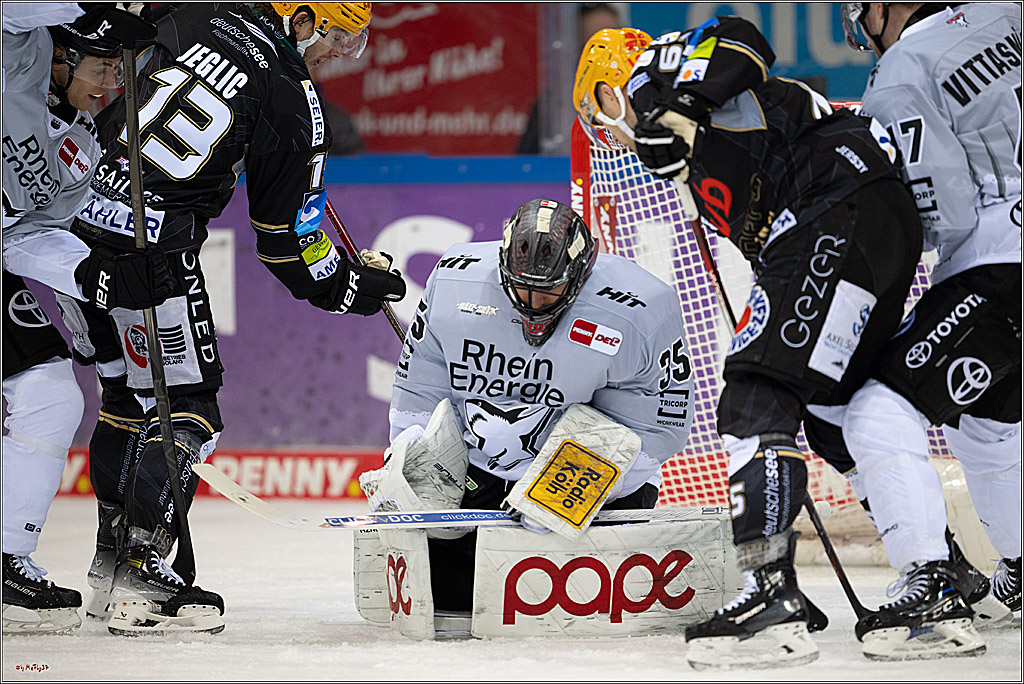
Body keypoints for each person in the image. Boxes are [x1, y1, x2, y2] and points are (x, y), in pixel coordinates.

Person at [573, 20, 928, 667]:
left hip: (837, 200)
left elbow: (743, 40)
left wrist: (674, 106)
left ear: (610, 89)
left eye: (601, 112)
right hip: (870, 221)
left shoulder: (656, 76)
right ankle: (937, 576)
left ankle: (769, 597)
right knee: (831, 410)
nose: (607, 134)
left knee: (753, 395)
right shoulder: (688, 165)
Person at [54, 2, 406, 636]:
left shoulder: (197, 11)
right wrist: (352, 285)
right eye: (341, 40)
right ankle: (141, 573)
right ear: (303, 20)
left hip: (71, 239)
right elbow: (286, 243)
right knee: (187, 410)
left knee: (125, 402)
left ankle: (111, 566)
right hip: (151, 254)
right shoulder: (289, 90)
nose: (339, 58)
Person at [361, 198, 694, 612]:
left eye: (549, 290)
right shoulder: (453, 281)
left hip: (599, 482)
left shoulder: (640, 307)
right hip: (480, 476)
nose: (532, 303)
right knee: (448, 602)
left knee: (564, 608)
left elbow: (661, 425)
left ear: (580, 274)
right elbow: (421, 383)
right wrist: (414, 454)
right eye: (521, 288)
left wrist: (575, 489)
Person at [835, 1, 1022, 652]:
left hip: (1002, 266)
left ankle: (931, 590)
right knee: (990, 426)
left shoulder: (903, 69)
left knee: (874, 411)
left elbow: (943, 211)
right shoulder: (1008, 14)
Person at [2, 2, 168, 634]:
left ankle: (6, 559)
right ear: (65, 53)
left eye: (122, 74)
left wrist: (96, 273)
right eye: (103, 65)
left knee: (48, 394)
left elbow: (29, 233)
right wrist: (89, 5)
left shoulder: (81, 144)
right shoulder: (17, 57)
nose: (111, 86)